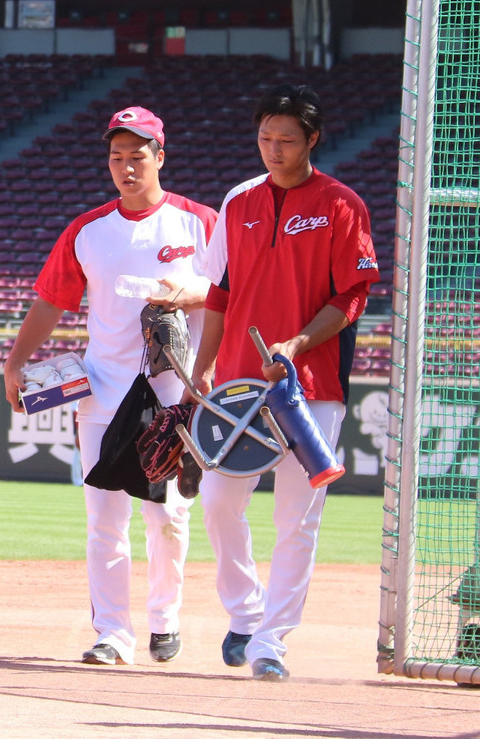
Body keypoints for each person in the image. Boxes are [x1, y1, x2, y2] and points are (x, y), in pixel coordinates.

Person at [3, 107, 217, 665]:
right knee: (104, 519)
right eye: (116, 157)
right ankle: (113, 633)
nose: (126, 167)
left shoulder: (199, 223)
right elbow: (51, 300)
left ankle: (165, 620)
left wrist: (189, 296)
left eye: (137, 156)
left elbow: (234, 291)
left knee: (167, 515)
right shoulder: (88, 230)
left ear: (160, 157)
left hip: (173, 393)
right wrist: (16, 361)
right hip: (103, 391)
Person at [188, 83, 380, 681]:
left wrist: (295, 344)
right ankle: (246, 613)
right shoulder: (239, 202)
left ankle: (271, 642)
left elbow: (353, 295)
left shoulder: (342, 204)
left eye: (287, 139)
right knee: (218, 503)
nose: (274, 149)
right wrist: (202, 366)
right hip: (238, 385)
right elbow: (219, 292)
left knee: (296, 518)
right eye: (265, 137)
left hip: (311, 386)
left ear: (312, 139)